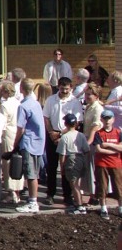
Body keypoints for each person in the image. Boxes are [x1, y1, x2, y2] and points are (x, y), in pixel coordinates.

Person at [43, 77, 82, 206]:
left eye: (67, 89)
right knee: (52, 167)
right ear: (58, 87)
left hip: (67, 136)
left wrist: (60, 134)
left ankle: (67, 195)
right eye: (62, 88)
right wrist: (51, 133)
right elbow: (46, 118)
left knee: (66, 166)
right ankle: (50, 194)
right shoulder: (50, 100)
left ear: (71, 88)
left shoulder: (75, 101)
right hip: (52, 135)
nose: (64, 91)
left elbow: (77, 122)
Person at [15, 79, 47, 214]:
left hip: (29, 142)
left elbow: (20, 128)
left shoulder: (24, 106)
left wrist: (15, 144)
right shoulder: (36, 104)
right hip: (39, 142)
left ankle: (33, 202)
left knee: (31, 173)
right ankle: (32, 200)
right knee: (33, 172)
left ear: (21, 88)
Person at [56, 113, 90, 215]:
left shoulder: (65, 137)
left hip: (71, 159)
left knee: (74, 185)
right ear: (75, 124)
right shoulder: (81, 135)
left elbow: (62, 154)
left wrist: (62, 168)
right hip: (81, 158)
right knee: (77, 184)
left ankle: (80, 206)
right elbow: (86, 149)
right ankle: (78, 203)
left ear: (66, 124)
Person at [93, 110, 122, 220]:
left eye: (109, 118)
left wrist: (107, 144)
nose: (107, 120)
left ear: (113, 119)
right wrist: (115, 149)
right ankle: (103, 208)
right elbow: (98, 149)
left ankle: (120, 208)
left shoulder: (118, 132)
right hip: (102, 163)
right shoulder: (98, 133)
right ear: (101, 119)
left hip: (116, 163)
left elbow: (121, 147)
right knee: (102, 186)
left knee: (119, 186)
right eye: (104, 118)